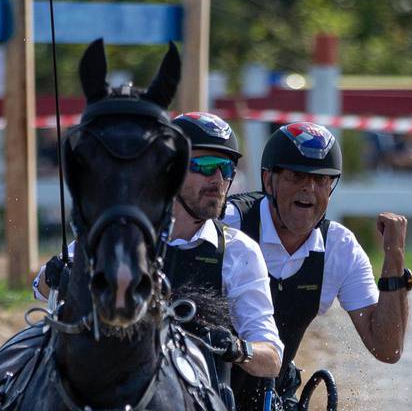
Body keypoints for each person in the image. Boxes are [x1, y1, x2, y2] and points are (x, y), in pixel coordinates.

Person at [35, 110, 282, 381]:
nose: (218, 181)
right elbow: (43, 289)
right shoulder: (121, 233)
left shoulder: (240, 252)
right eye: (206, 166)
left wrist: (237, 348)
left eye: (226, 170)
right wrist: (60, 275)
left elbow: (271, 359)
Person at [224, 121, 411, 411]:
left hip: (271, 403)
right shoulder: (228, 224)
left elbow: (387, 348)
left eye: (321, 179)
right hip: (204, 393)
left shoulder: (340, 248)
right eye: (296, 177)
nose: (308, 189)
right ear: (269, 179)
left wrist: (394, 256)